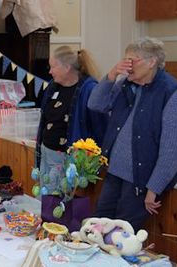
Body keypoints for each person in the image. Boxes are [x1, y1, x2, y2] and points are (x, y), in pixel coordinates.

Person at [88, 37, 177, 230]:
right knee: (97, 227)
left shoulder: (172, 93)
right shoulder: (125, 84)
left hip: (140, 181)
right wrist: (112, 74)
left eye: (133, 60)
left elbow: (172, 150)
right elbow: (95, 104)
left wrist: (154, 188)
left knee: (122, 236)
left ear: (151, 62)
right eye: (125, 60)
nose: (127, 66)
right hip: (114, 173)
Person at [35, 46, 107, 194]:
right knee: (45, 199)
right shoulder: (52, 87)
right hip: (46, 152)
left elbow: (100, 127)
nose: (50, 71)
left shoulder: (89, 89)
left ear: (67, 67)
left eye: (53, 66)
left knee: (59, 203)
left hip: (67, 159)